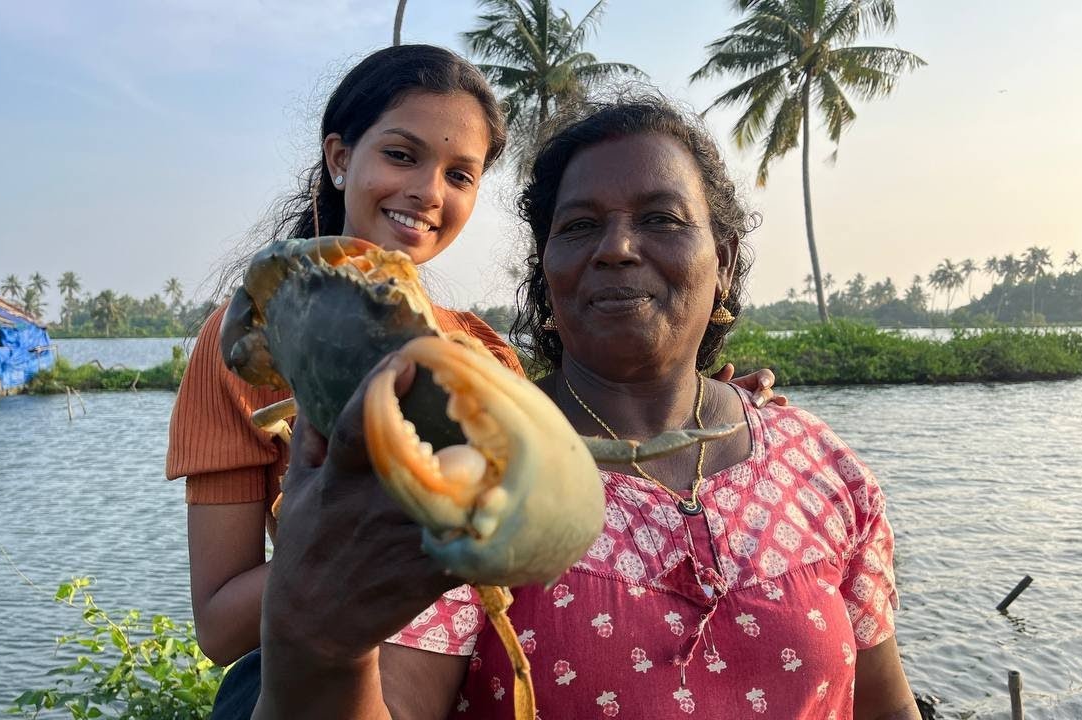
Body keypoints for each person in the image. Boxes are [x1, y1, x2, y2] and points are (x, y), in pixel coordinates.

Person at [250, 96, 919, 719]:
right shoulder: (463, 470)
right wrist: (315, 646)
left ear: (726, 258)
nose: (618, 248)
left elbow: (886, 708)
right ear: (547, 271)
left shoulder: (824, 466)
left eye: (661, 218)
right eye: (580, 226)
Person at [165, 44, 524, 674]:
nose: (427, 192)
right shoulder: (253, 344)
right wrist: (370, 525)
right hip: (317, 683)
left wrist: (727, 416)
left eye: (460, 175)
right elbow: (220, 630)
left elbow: (555, 512)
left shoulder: (485, 355)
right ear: (339, 158)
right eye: (401, 154)